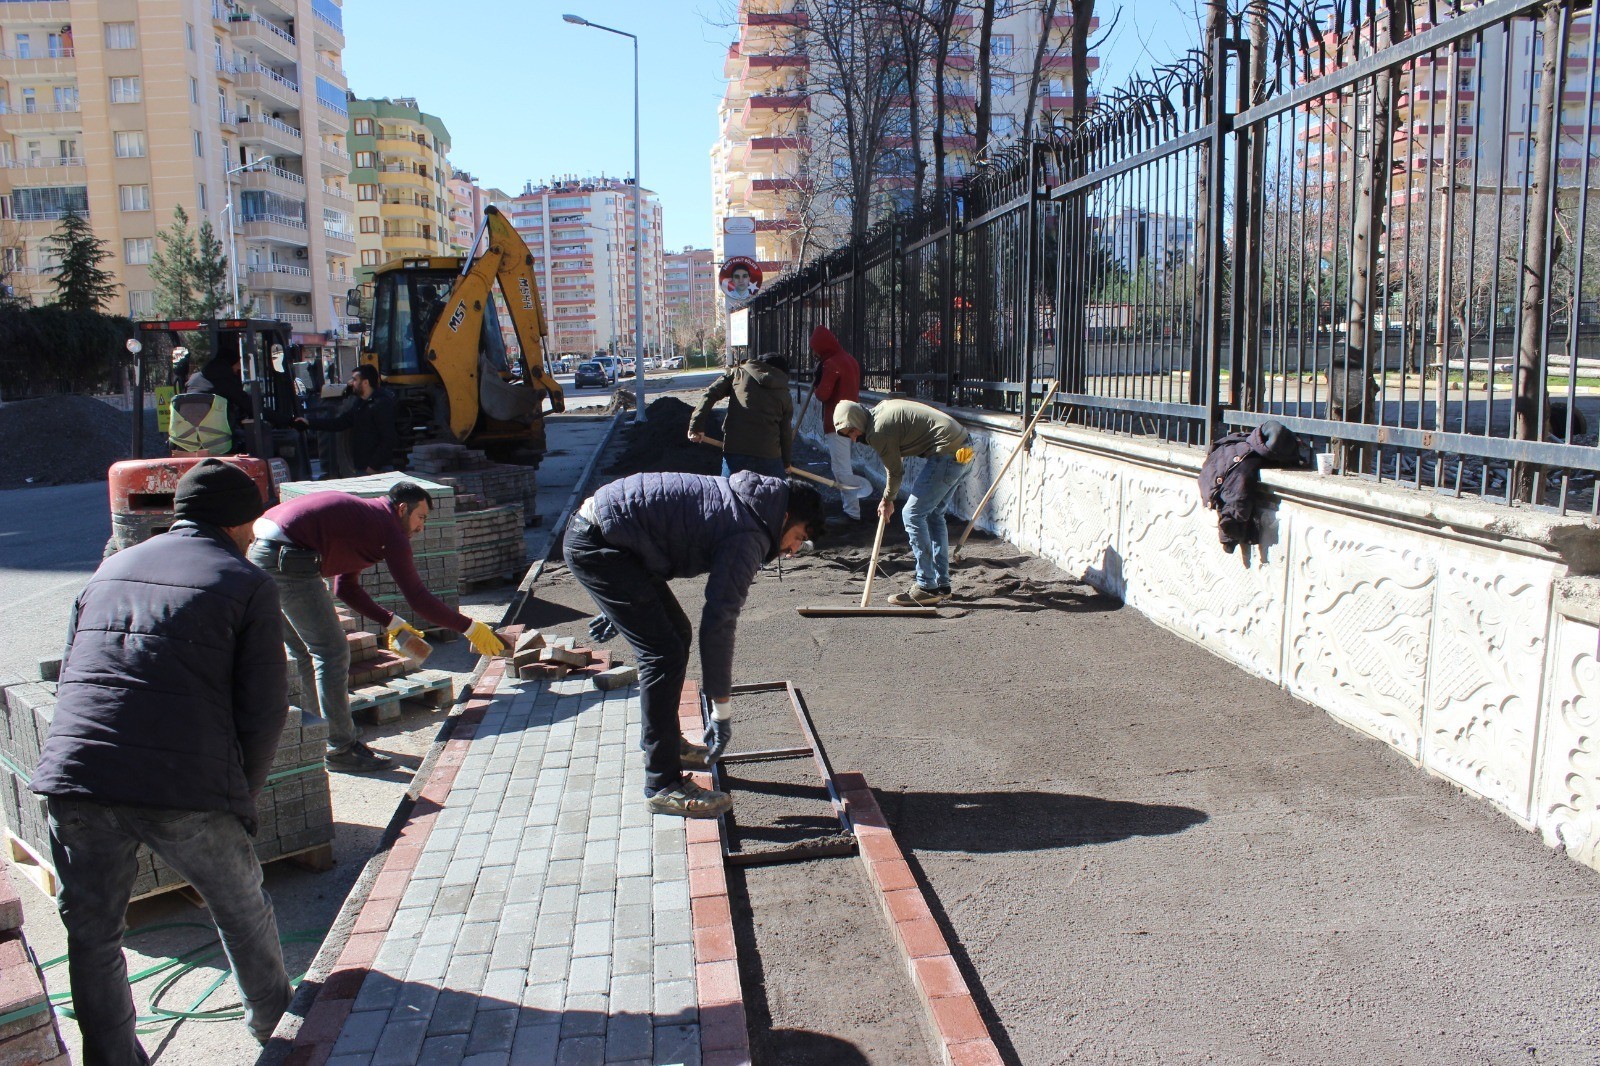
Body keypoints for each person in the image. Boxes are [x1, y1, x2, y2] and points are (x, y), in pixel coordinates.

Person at [32, 459, 293, 1062]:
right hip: (181, 786)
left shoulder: (108, 570)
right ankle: (276, 1029)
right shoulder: (245, 580)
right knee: (240, 905)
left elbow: (75, 674)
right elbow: (264, 710)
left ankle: (112, 1058)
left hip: (77, 778)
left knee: (93, 935)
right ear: (239, 521)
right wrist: (242, 799)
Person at [563, 472, 826, 818]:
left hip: (616, 541)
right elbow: (719, 623)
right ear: (787, 517)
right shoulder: (748, 534)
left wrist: (619, 603)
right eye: (797, 538)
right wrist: (721, 712)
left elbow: (659, 523)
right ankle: (662, 785)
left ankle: (663, 744)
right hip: (600, 547)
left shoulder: (749, 503)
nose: (792, 550)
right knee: (663, 654)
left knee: (677, 634)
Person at [248, 482, 508, 772]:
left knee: (308, 653)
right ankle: (341, 749)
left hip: (260, 554)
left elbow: (345, 588)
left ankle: (322, 736)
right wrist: (470, 628)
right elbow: (418, 597)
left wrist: (391, 622)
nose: (422, 527)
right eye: (421, 517)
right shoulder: (389, 530)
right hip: (288, 560)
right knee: (332, 653)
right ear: (401, 509)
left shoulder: (366, 522)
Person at [833, 398, 975, 606]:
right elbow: (896, 456)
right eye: (849, 436)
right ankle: (942, 585)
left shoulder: (878, 431)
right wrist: (888, 496)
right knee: (934, 515)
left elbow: (896, 471)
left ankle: (926, 585)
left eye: (852, 432)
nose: (854, 439)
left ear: (857, 420)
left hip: (947, 453)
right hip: (963, 447)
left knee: (912, 514)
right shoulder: (879, 413)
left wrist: (887, 500)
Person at [688, 352, 794, 479]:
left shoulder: (738, 373)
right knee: (774, 497)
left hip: (736, 452)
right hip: (769, 457)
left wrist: (696, 426)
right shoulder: (784, 392)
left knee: (729, 495)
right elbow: (785, 432)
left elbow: (710, 394)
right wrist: (786, 462)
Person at [808, 326, 872, 520]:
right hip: (853, 420)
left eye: (815, 350)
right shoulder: (850, 360)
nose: (815, 354)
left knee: (841, 469)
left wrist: (817, 381)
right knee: (844, 466)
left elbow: (822, 394)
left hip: (836, 423)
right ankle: (851, 507)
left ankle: (853, 510)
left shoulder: (832, 364)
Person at [294, 364, 399, 474]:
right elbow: (340, 423)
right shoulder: (360, 403)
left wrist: (374, 466)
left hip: (378, 470)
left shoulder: (381, 404)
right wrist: (309, 423)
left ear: (365, 382)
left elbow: (389, 438)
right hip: (363, 467)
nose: (350, 382)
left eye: (354, 379)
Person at [186, 348, 293, 454]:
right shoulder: (226, 382)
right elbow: (252, 407)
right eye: (237, 364)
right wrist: (289, 421)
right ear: (230, 364)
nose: (239, 368)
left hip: (188, 440)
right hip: (220, 441)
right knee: (257, 437)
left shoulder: (193, 379)